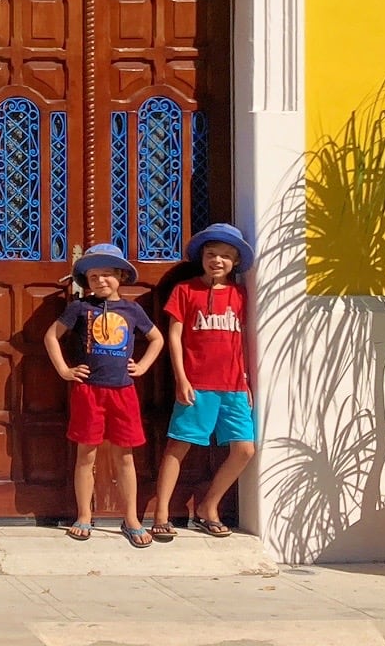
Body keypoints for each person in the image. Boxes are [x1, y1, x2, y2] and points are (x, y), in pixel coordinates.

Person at [44, 242, 165, 547]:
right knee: (86, 455)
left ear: (120, 277)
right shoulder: (79, 308)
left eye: (107, 275)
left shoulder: (132, 310)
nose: (100, 281)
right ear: (87, 280)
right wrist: (64, 370)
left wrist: (144, 366)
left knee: (124, 456)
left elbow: (157, 339)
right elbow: (51, 337)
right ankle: (84, 515)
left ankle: (132, 518)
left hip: (123, 391)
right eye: (94, 276)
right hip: (89, 392)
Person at [149, 222, 256, 540]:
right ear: (202, 257)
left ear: (235, 261)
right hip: (197, 385)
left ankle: (209, 506)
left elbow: (244, 339)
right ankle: (161, 513)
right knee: (178, 445)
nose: (218, 261)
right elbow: (175, 336)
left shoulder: (240, 294)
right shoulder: (186, 291)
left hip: (234, 386)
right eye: (212, 254)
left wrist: (246, 379)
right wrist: (181, 379)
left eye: (225, 256)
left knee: (244, 450)